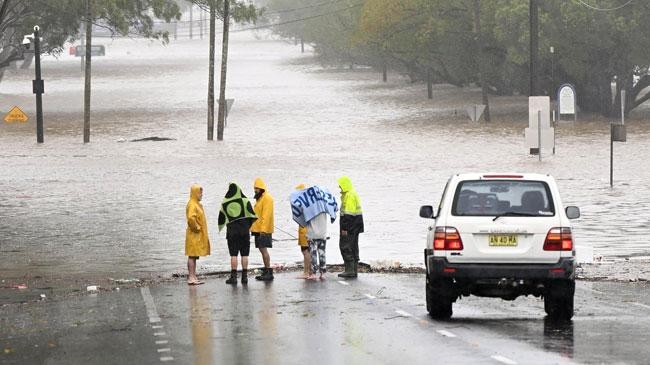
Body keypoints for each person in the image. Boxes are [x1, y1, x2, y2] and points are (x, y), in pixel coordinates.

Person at [218, 183, 257, 285]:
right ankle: (244, 277)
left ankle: (233, 277)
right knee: (245, 254)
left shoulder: (225, 203)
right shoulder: (245, 201)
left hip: (232, 233)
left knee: (233, 254)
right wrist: (247, 227)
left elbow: (222, 218)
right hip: (244, 232)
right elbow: (252, 216)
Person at [337, 176, 364, 278]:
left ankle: (349, 270)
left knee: (345, 246)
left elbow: (348, 214)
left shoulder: (349, 195)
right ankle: (354, 270)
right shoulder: (352, 193)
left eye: (340, 186)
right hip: (356, 226)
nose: (340, 188)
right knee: (353, 247)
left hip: (349, 226)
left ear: (344, 185)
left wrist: (344, 228)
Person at [185, 184, 210, 285]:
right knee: (192, 255)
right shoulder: (192, 204)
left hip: (196, 235)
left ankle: (193, 276)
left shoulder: (195, 203)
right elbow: (191, 218)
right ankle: (191, 277)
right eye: (200, 193)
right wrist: (197, 228)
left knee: (194, 256)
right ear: (195, 193)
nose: (201, 195)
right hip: (194, 234)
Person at [251, 177, 275, 281]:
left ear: (261, 188)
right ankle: (266, 270)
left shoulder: (267, 198)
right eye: (254, 188)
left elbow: (266, 215)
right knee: (262, 250)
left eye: (256, 188)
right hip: (257, 229)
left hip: (263, 230)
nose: (255, 190)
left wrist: (263, 230)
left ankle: (268, 272)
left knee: (264, 250)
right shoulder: (260, 198)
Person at [307, 211, 329, 280]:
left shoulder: (310, 207)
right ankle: (323, 273)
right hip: (322, 233)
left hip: (312, 234)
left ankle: (313, 273)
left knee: (313, 254)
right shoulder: (324, 206)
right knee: (322, 253)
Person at [295, 184, 311, 279]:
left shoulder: (302, 204)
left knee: (306, 251)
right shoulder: (307, 203)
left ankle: (306, 272)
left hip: (304, 231)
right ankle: (308, 271)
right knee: (306, 251)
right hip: (305, 230)